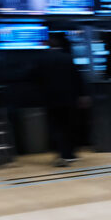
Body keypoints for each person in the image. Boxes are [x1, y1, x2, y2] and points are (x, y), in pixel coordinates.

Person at [32, 34, 88, 167]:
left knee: (57, 128)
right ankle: (70, 153)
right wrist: (82, 95)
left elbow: (35, 79)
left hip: (51, 99)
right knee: (70, 126)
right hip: (69, 98)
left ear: (48, 44)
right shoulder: (67, 58)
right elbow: (77, 78)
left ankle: (63, 155)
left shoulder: (42, 59)